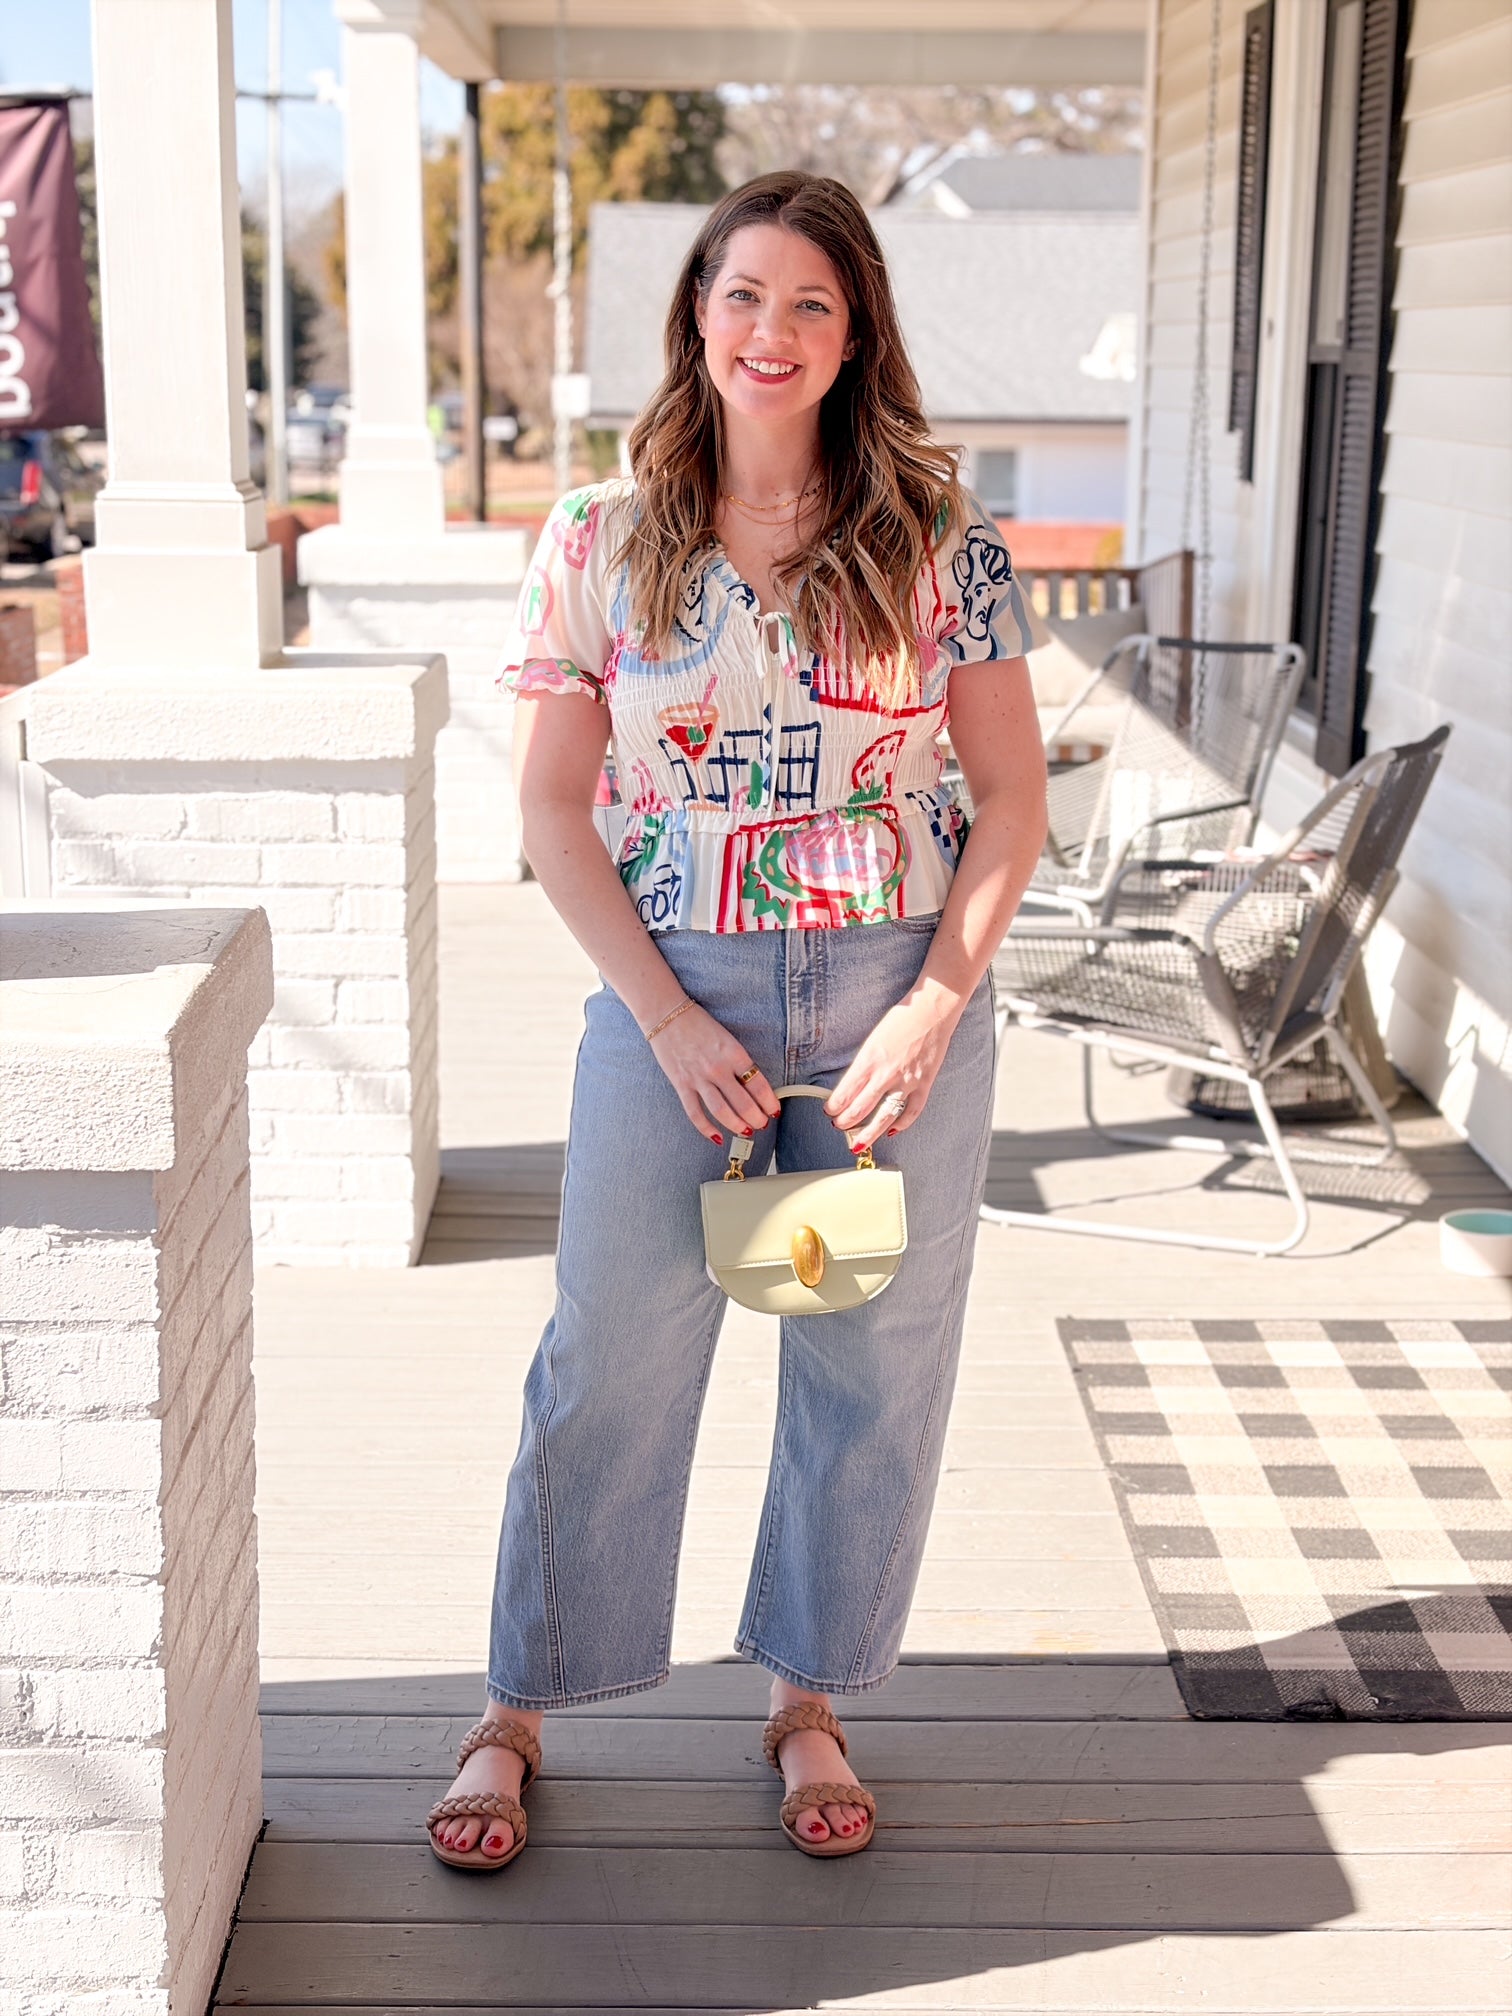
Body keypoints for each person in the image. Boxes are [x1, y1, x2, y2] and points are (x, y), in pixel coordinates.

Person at [425, 170, 1048, 1871]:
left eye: (812, 306)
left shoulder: (944, 540)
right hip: (674, 996)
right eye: (743, 296)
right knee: (611, 1354)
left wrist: (932, 1008)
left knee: (857, 1360)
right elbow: (557, 815)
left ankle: (807, 1699)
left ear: (855, 341)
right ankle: (517, 1704)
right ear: (696, 315)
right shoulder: (598, 539)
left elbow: (1007, 806)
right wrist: (668, 1019)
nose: (771, 332)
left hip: (880, 1005)